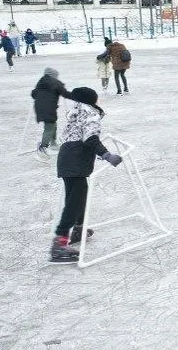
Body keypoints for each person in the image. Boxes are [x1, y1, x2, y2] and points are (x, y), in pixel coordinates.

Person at [49, 87, 122, 263]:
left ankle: (78, 229)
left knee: (78, 196)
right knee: (75, 201)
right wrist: (106, 155)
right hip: (76, 160)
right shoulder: (90, 113)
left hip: (66, 158)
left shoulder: (75, 114)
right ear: (91, 100)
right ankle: (59, 244)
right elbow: (90, 139)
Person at [31, 67, 73, 161]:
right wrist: (78, 95)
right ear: (54, 76)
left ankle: (53, 144)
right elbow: (65, 94)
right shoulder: (56, 83)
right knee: (49, 127)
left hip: (39, 107)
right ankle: (42, 148)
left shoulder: (41, 82)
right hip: (48, 108)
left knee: (52, 125)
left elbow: (33, 94)